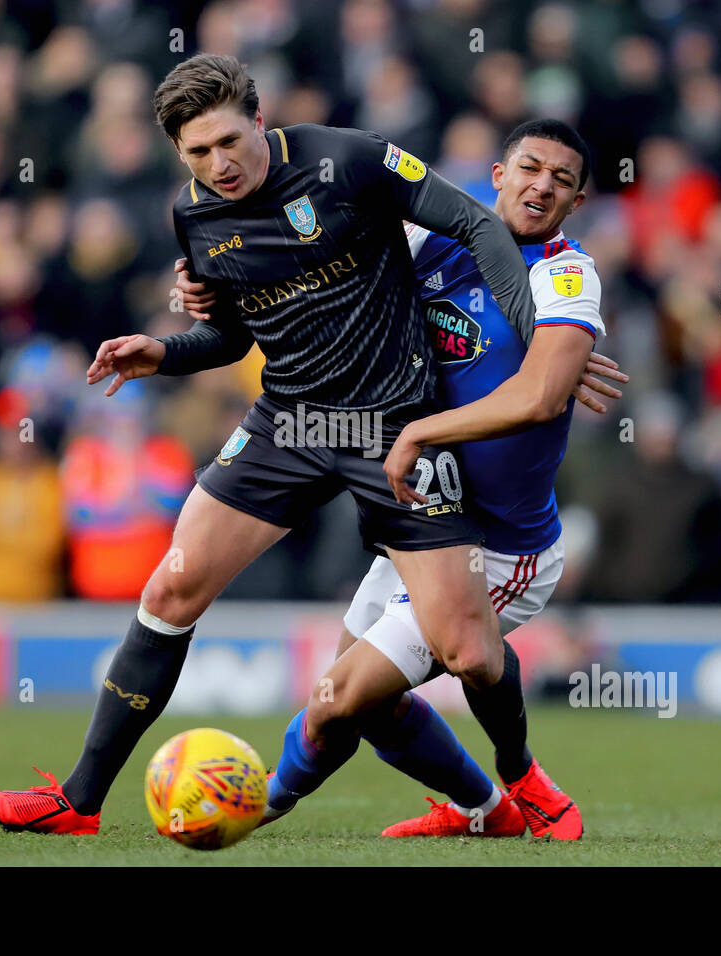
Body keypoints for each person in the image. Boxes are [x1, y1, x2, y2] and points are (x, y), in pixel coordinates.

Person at [0, 53, 592, 835]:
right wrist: (165, 351)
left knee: (468, 650)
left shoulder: (350, 159)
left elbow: (473, 220)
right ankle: (77, 801)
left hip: (393, 426)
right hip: (290, 423)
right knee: (169, 591)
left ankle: (516, 778)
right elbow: (229, 336)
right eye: (198, 153)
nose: (219, 165)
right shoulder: (194, 215)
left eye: (230, 141)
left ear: (260, 121)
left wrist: (538, 339)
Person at [178, 119, 616, 839]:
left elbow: (538, 397)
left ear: (576, 200)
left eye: (561, 180)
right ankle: (484, 813)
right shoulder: (426, 241)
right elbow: (309, 282)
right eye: (529, 167)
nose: (542, 185)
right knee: (359, 702)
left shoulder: (566, 274)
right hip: (421, 526)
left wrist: (421, 430)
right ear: (497, 175)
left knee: (336, 700)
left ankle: (254, 807)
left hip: (497, 544)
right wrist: (207, 287)